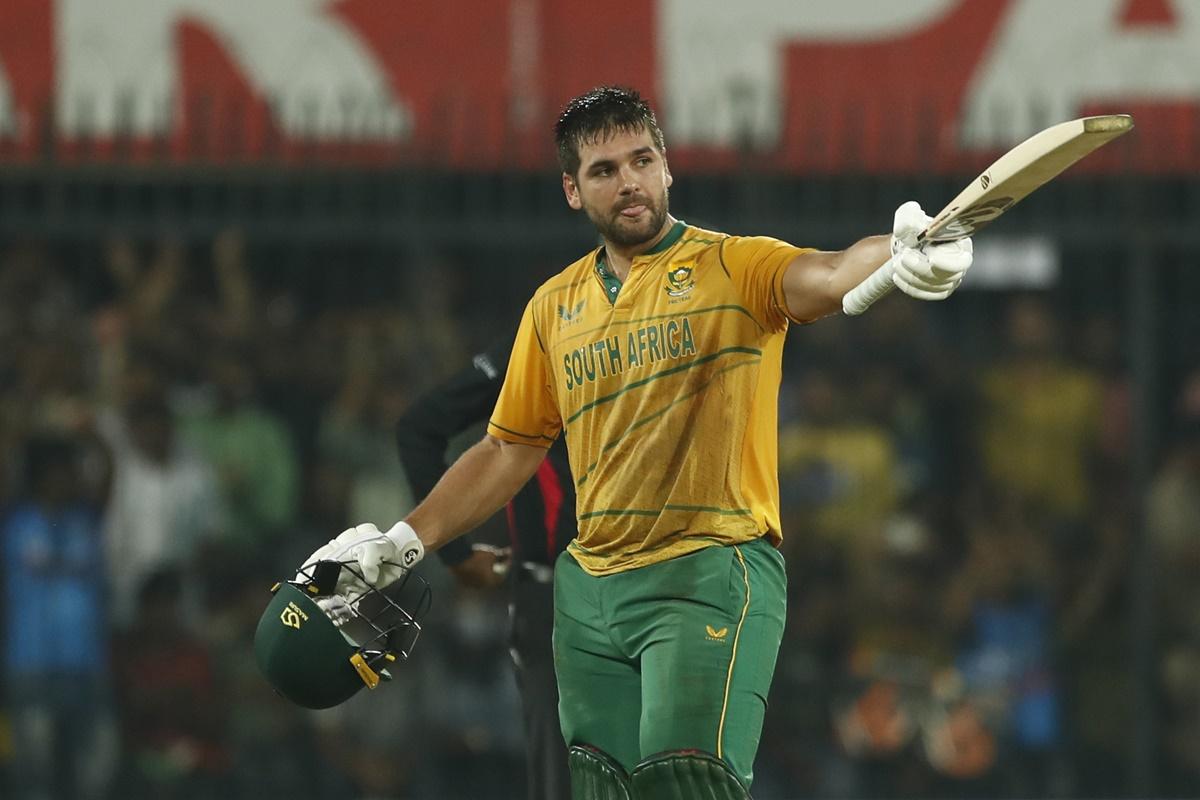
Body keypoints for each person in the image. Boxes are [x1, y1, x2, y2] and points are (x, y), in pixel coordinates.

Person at [301, 85, 973, 798]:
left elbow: (831, 270)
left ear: (667, 167)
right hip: (587, 594)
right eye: (604, 170)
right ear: (572, 189)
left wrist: (902, 253)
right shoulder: (554, 307)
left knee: (685, 784)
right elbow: (506, 450)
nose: (628, 182)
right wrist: (402, 542)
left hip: (709, 574)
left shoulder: (733, 266)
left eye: (641, 160)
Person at [394, 342, 575, 800]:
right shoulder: (546, 334)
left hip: (567, 595)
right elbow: (419, 429)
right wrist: (457, 555)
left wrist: (459, 558)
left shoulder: (553, 328)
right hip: (568, 599)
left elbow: (419, 427)